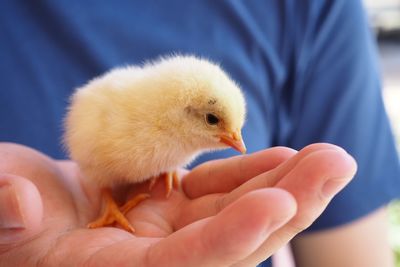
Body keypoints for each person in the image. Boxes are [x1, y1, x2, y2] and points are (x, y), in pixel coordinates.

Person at [0, 1, 399, 266]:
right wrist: (106, 193)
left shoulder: (310, 10)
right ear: (182, 112)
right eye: (214, 122)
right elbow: (91, 142)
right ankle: (109, 202)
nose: (234, 141)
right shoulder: (133, 114)